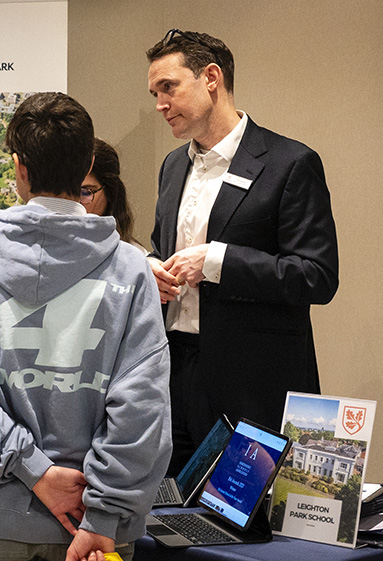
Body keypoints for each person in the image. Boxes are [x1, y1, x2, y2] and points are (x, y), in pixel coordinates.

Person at [0, 92, 171, 561]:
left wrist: (33, 472)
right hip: (96, 540)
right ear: (85, 167)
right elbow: (141, 407)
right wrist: (102, 515)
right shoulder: (130, 267)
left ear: (18, 168)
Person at [145, 29, 339, 474]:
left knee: (244, 536)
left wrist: (216, 261)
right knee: (171, 522)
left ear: (211, 77)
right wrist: (151, 268)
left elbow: (317, 275)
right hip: (174, 374)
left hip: (252, 385)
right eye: (155, 92)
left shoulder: (290, 163)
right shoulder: (173, 166)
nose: (159, 104)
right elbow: (162, 247)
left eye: (168, 88)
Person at [80, 138, 146, 253]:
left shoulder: (135, 258)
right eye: (66, 193)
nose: (74, 204)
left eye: (85, 192)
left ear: (110, 193)